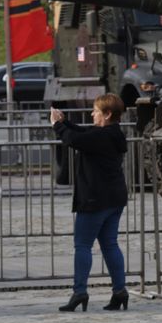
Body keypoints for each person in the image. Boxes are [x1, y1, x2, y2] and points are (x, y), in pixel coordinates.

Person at [51, 94, 129, 312]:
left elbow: (74, 140)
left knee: (83, 245)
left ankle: (80, 292)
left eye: (95, 111)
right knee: (110, 244)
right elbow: (82, 133)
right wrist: (64, 122)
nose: (92, 114)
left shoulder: (102, 137)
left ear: (107, 114)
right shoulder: (112, 134)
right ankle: (120, 291)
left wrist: (57, 125)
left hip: (96, 199)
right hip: (115, 198)